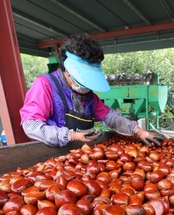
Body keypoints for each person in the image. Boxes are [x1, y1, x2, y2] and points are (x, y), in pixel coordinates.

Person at [20, 33, 165, 148]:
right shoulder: (45, 85)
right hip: (53, 160)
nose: (87, 87)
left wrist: (138, 131)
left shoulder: (88, 96)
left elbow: (111, 117)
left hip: (83, 159)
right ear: (68, 71)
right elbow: (31, 126)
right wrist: (72, 136)